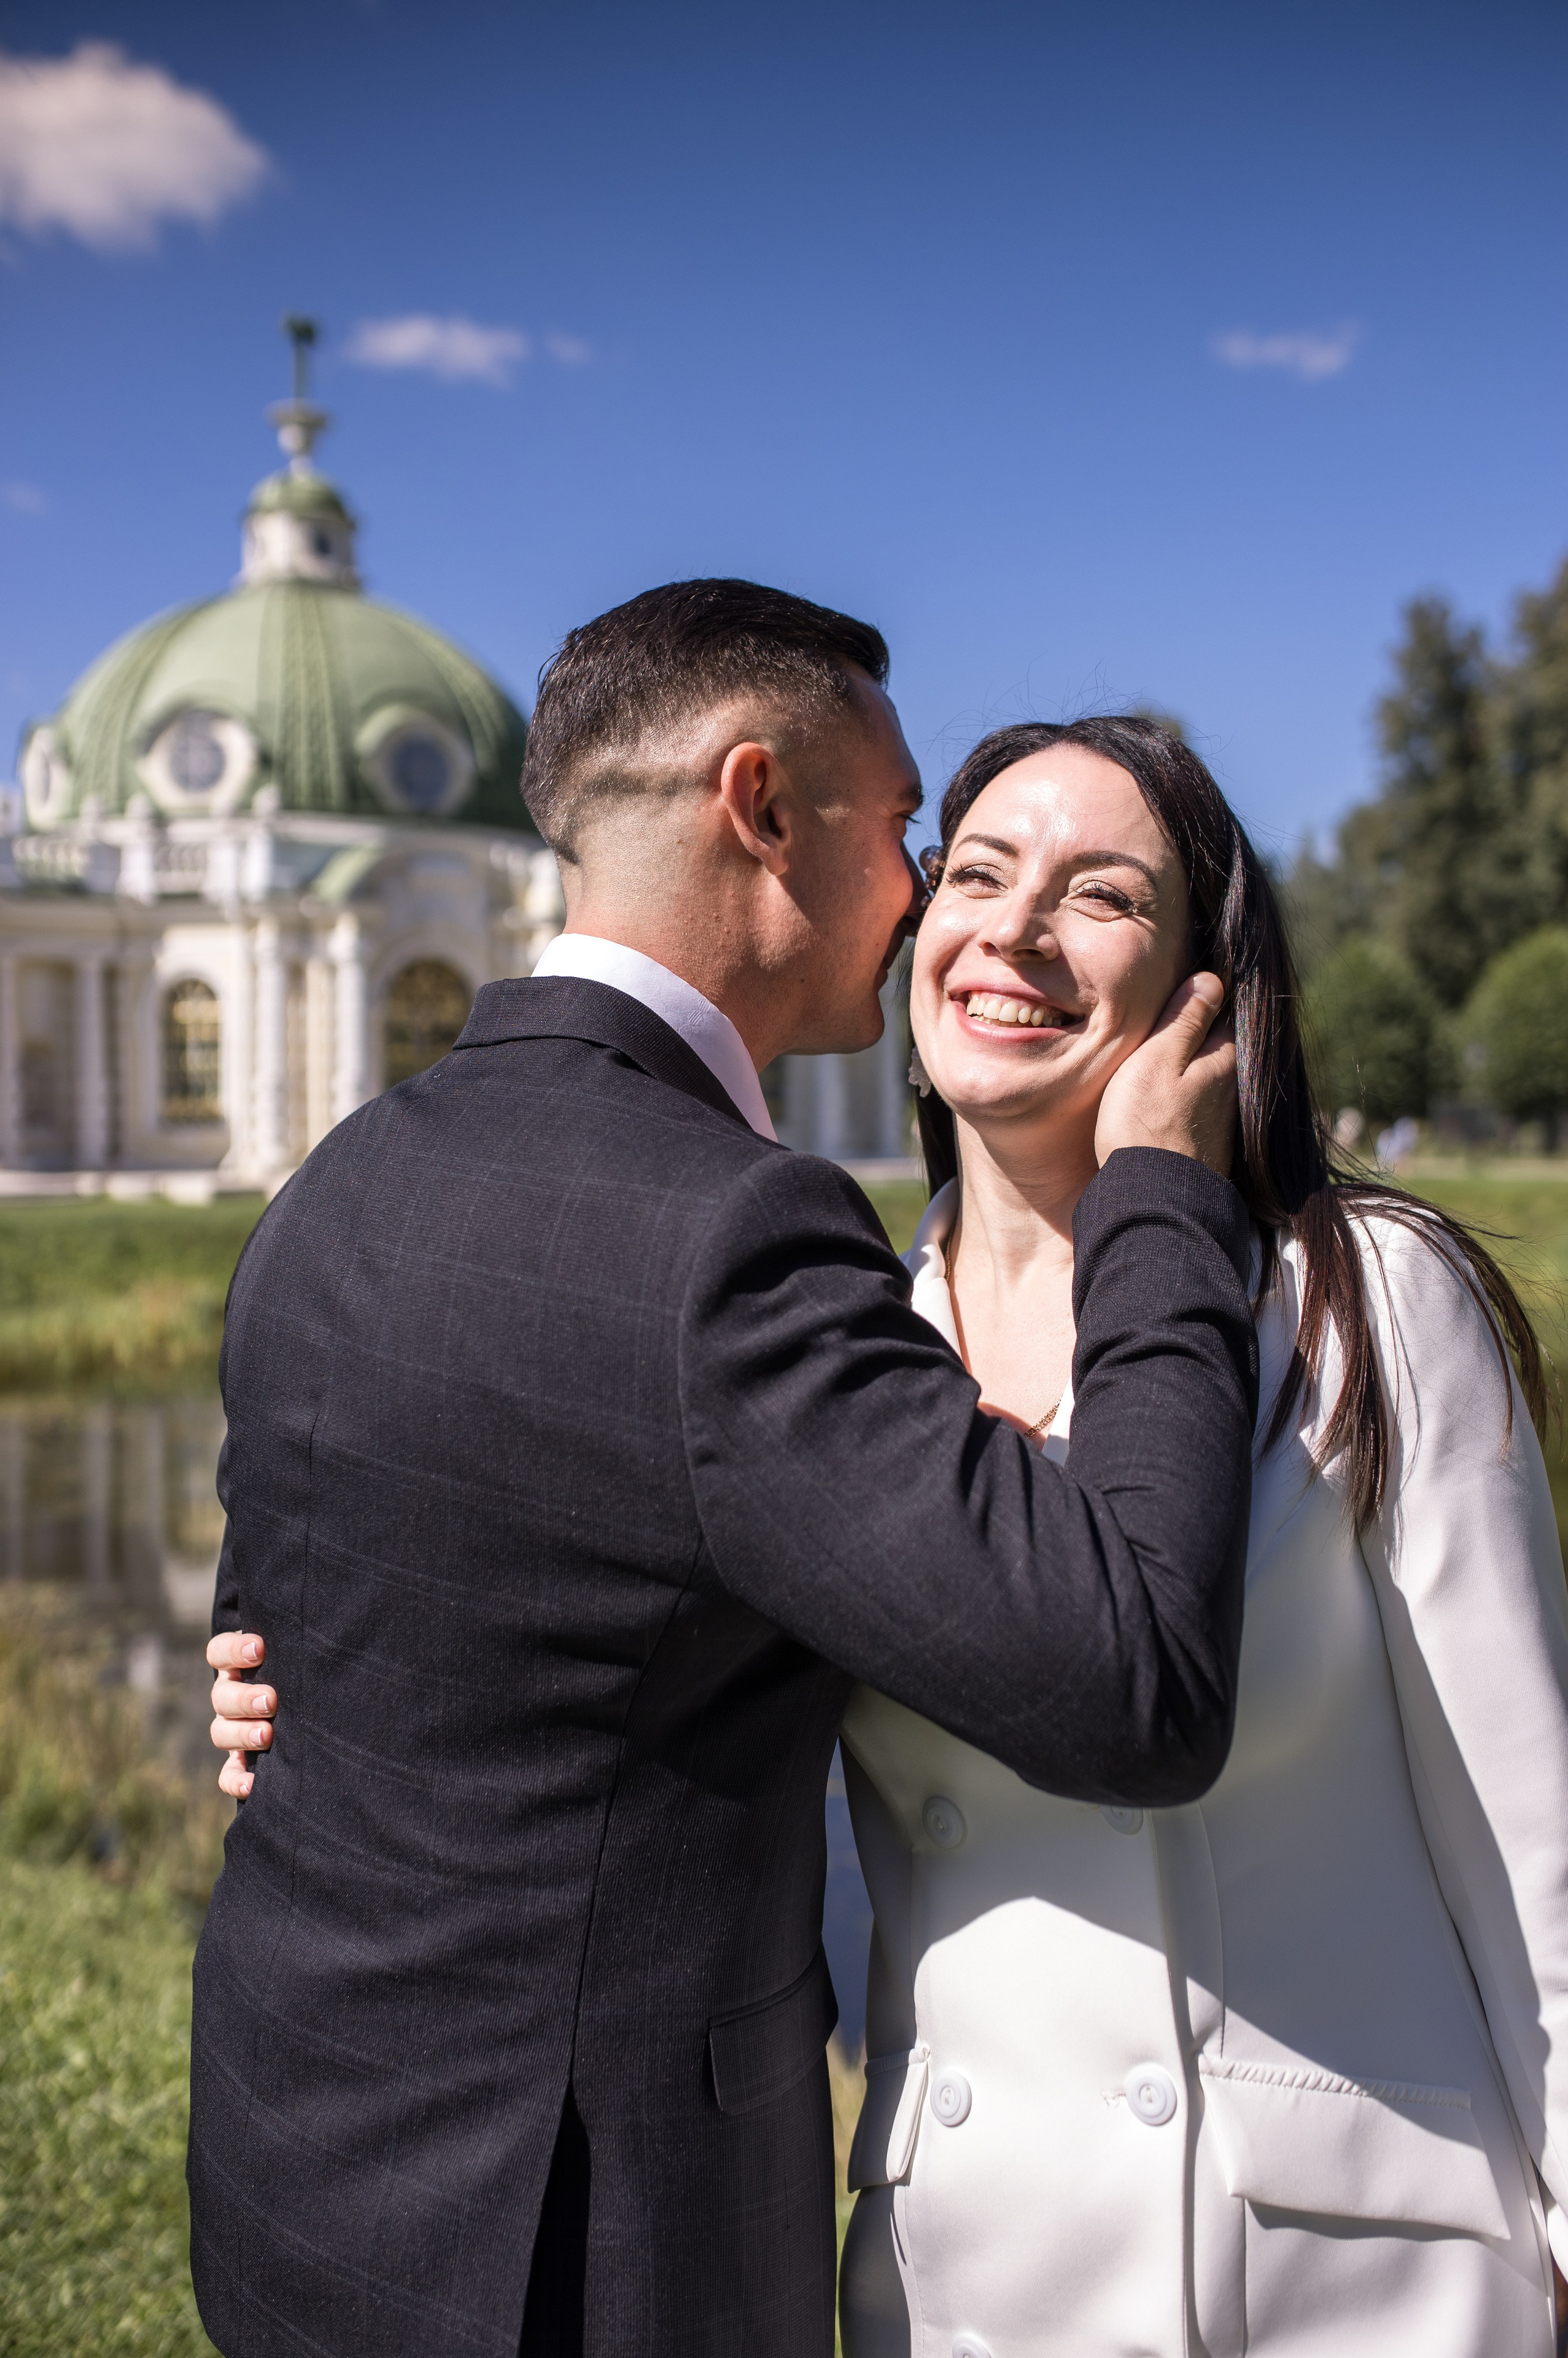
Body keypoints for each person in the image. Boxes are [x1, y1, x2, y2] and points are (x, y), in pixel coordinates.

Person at [188, 584, 1256, 2358]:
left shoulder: (339, 1181)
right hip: (578, 2253)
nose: (921, 888)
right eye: (903, 824)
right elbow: (1132, 1679)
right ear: (762, 808)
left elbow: (283, 1630)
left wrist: (259, 1697)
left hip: (296, 2177)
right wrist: (1160, 1198)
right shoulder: (734, 1233)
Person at [833, 717, 1568, 2358]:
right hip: (969, 2289)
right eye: (978, 875)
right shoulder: (840, 1356)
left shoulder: (1363, 1303)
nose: (1017, 930)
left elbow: (1537, 1844)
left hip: (1363, 2285)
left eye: (1101, 895)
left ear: (1205, 994)